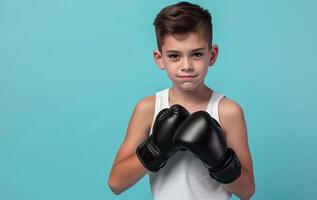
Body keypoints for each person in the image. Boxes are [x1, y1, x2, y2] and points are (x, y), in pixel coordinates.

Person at [108, 2, 255, 199]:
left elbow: (247, 191)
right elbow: (116, 183)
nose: (186, 66)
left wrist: (220, 160)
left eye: (196, 54)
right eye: (175, 56)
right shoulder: (148, 109)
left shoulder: (227, 111)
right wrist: (155, 148)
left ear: (212, 55)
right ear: (159, 59)